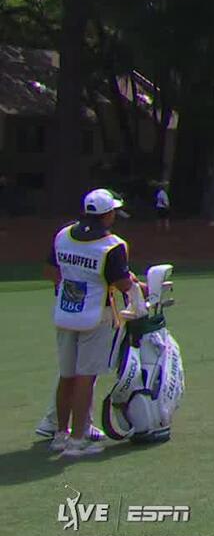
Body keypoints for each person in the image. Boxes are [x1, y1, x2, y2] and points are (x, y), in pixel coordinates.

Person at [48, 189, 139, 457]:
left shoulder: (63, 235)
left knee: (67, 376)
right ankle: (78, 440)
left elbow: (50, 271)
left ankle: (60, 435)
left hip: (65, 313)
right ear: (108, 215)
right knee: (85, 378)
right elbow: (122, 283)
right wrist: (135, 284)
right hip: (95, 317)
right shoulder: (113, 245)